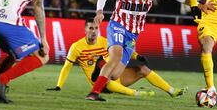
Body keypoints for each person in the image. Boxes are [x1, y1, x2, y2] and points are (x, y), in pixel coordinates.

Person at [85, 0, 216, 101]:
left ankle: (100, 64)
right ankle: (94, 93)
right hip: (118, 24)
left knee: (114, 74)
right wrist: (100, 12)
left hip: (133, 33)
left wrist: (199, 4)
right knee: (117, 55)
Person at [47, 18, 187, 98]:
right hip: (100, 82)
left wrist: (137, 55)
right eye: (90, 28)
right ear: (85, 30)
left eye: (96, 28)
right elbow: (66, 67)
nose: (94, 31)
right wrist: (59, 86)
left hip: (116, 76)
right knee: (103, 68)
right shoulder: (76, 47)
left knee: (142, 69)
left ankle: (171, 91)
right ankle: (136, 94)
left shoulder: (104, 41)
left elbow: (121, 50)